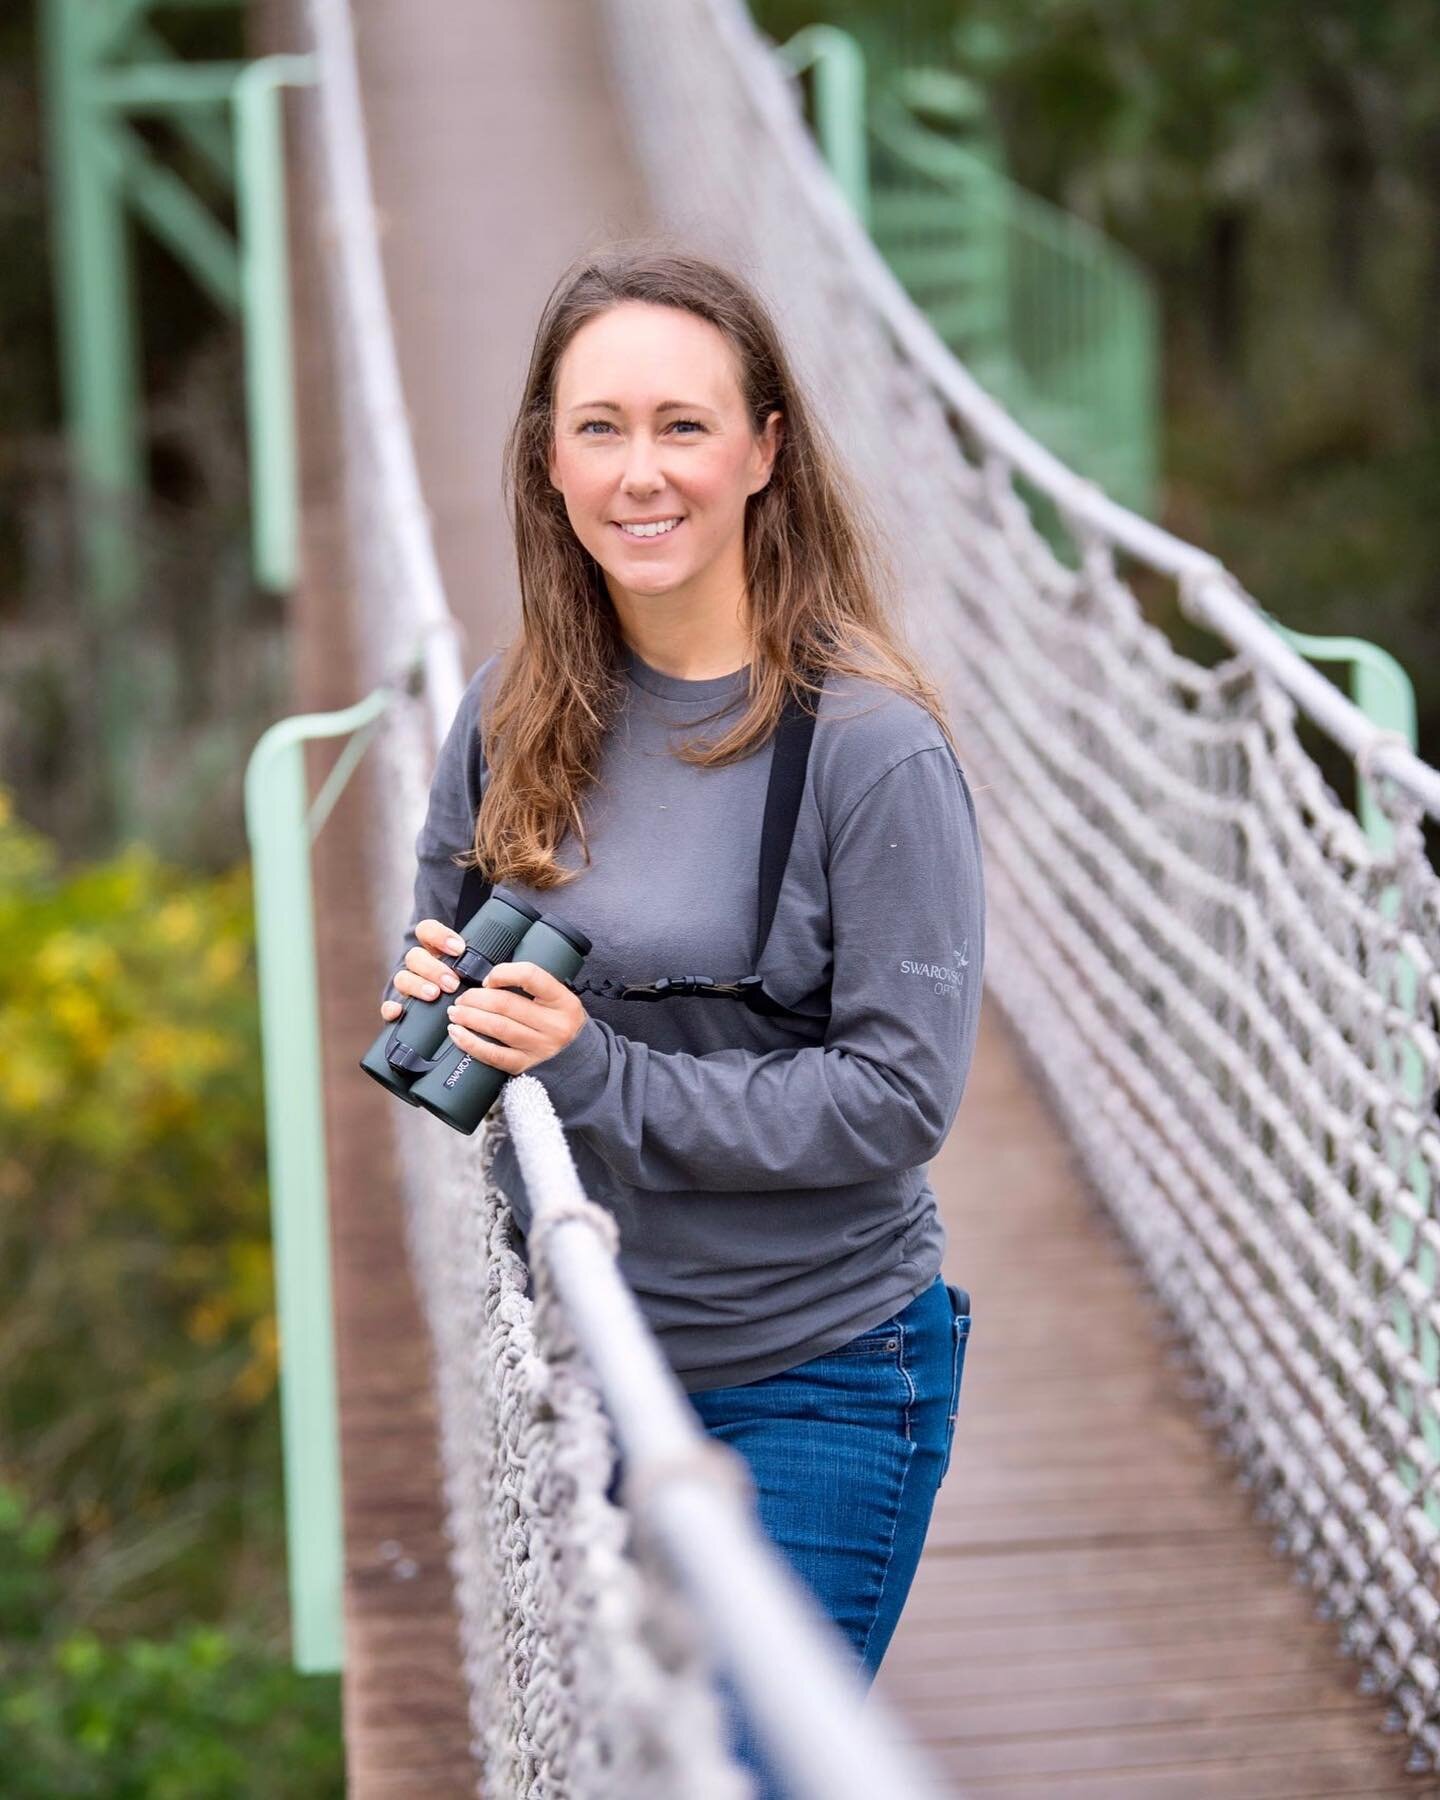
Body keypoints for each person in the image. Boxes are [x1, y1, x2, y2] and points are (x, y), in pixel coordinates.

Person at [378, 244, 983, 1789]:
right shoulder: (512, 715)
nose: (638, 473)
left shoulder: (869, 749)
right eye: (598, 427)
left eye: (683, 426)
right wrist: (445, 1006)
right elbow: (458, 991)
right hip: (578, 1366)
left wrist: (597, 1075)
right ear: (546, 458)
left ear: (766, 450)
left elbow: (896, 1105)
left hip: (816, 1371)